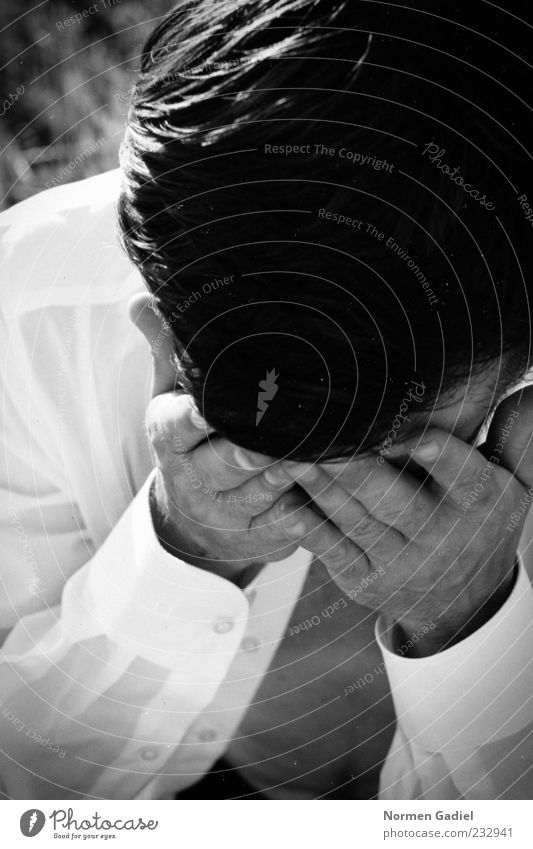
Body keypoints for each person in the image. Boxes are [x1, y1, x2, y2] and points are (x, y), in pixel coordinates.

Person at [0, 0, 532, 799]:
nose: (333, 483)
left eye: (404, 438)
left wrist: (470, 625)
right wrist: (185, 548)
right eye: (271, 411)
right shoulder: (30, 319)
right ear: (160, 321)